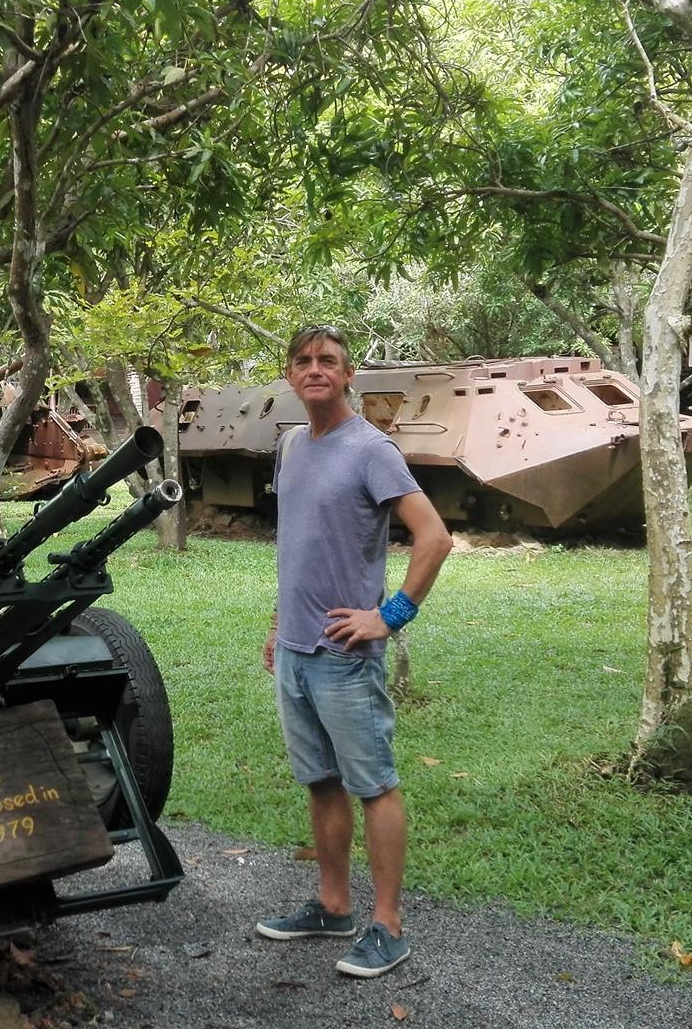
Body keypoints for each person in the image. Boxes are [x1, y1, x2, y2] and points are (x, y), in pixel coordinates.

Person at [255, 324, 452, 979]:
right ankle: (333, 904)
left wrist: (388, 617)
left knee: (375, 785)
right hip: (296, 651)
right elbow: (300, 542)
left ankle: (388, 924)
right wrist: (280, 621)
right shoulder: (289, 447)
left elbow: (435, 538)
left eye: (328, 361)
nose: (315, 369)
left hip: (344, 653)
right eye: (304, 360)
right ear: (290, 374)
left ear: (348, 376)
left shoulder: (372, 450)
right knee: (320, 781)